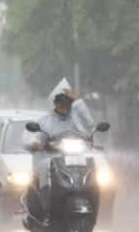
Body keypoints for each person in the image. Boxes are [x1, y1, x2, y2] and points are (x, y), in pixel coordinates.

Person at [24, 80, 95, 224]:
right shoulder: (44, 121)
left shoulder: (76, 119)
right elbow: (28, 136)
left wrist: (78, 102)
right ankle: (46, 211)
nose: (64, 106)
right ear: (54, 103)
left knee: (94, 170)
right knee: (45, 167)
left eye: (68, 102)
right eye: (60, 102)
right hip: (50, 158)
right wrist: (35, 143)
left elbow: (90, 125)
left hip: (73, 158)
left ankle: (91, 202)